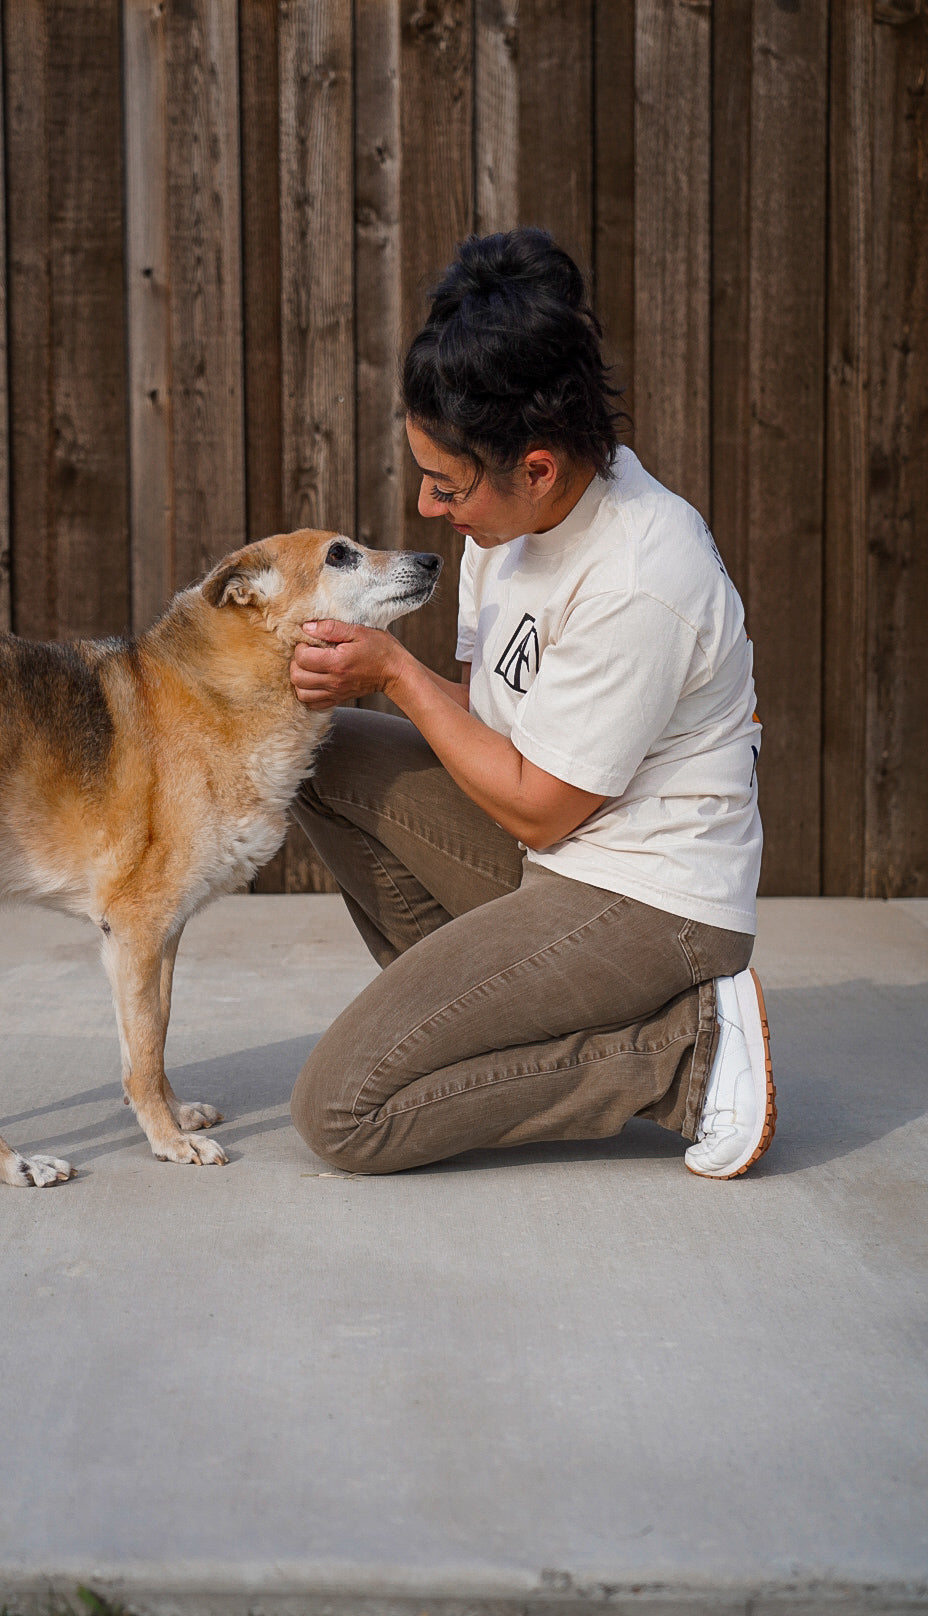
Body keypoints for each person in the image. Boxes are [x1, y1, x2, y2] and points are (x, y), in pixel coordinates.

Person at [287, 227, 774, 1181]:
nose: (431, 507)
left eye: (447, 483)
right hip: (548, 853)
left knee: (342, 1112)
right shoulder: (501, 529)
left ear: (540, 467)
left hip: (650, 898)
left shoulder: (639, 572)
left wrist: (394, 671)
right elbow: (488, 729)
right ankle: (495, 1046)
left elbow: (542, 808)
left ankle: (681, 1056)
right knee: (324, 747)